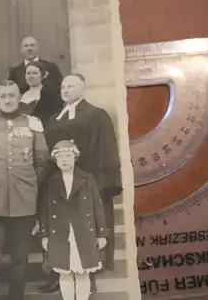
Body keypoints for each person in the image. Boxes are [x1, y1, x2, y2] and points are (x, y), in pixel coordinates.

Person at [44, 73, 122, 294]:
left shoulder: (96, 115)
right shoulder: (55, 118)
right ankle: (59, 274)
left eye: (71, 86)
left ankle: (91, 274)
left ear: (82, 89)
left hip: (88, 183)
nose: (65, 89)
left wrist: (99, 184)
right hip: (61, 184)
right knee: (63, 231)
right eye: (63, 86)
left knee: (86, 232)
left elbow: (105, 151)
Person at [0, 80, 49, 300]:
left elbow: (42, 161)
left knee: (19, 257)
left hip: (23, 199)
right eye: (3, 96)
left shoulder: (32, 124)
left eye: (12, 96)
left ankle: (16, 296)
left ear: (19, 98)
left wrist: (30, 182)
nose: (7, 100)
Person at [38, 140, 107, 300]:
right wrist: (45, 235)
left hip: (83, 232)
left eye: (68, 156)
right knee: (65, 273)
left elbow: (97, 207)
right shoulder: (52, 182)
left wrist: (101, 234)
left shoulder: (87, 178)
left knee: (83, 272)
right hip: (61, 233)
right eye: (60, 157)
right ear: (55, 160)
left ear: (75, 157)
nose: (64, 160)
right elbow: (45, 211)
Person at [8, 36, 64, 100]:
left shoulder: (51, 67)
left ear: (38, 48)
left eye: (32, 45)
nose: (29, 48)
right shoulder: (15, 71)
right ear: (21, 50)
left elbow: (60, 87)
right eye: (26, 46)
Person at [19, 61, 61, 126]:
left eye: (35, 73)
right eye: (28, 73)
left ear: (43, 75)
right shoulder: (21, 95)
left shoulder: (49, 95)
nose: (31, 76)